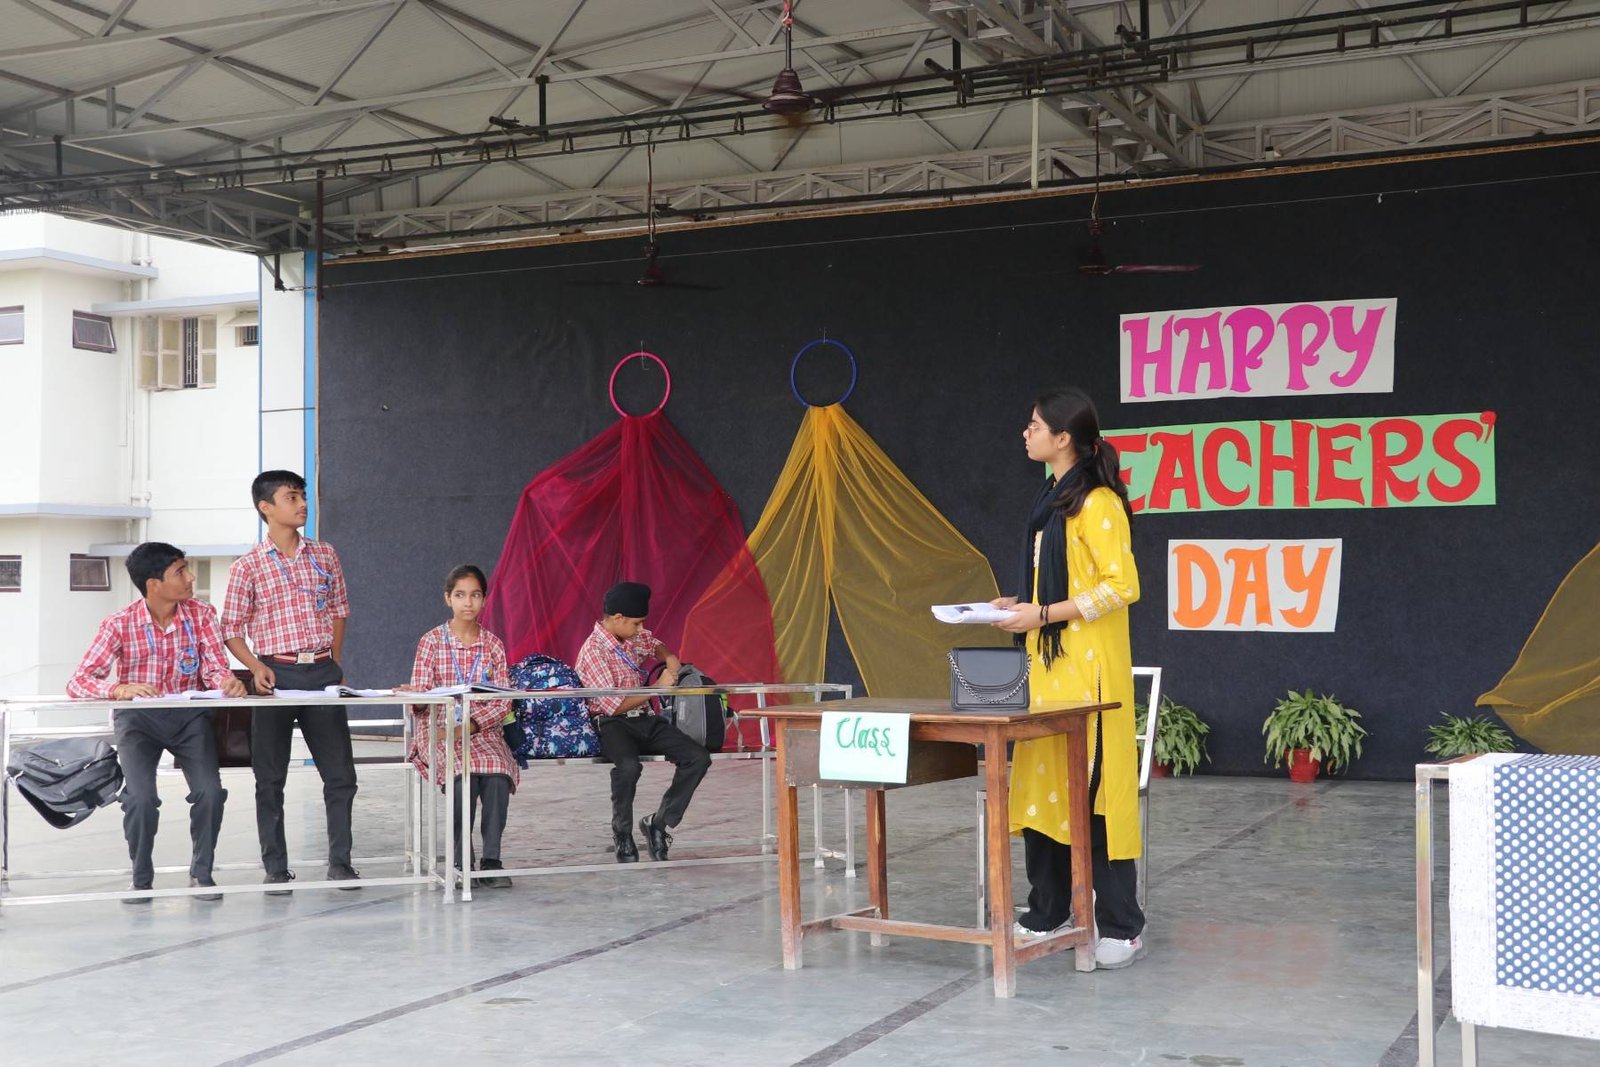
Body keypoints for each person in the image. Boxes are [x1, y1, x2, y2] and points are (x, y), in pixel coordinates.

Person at [991, 386, 1148, 970]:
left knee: (1094, 796)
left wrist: (1044, 614)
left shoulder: (1098, 503)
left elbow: (1122, 587)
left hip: (1090, 676)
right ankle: (1048, 909)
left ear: (1063, 438)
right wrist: (1020, 605)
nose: (1025, 433)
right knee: (1042, 791)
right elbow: (1056, 586)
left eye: (1035, 426)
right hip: (1048, 670)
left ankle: (1123, 926)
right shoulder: (1049, 502)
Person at [66, 542, 247, 901]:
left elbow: (214, 666)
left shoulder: (202, 615)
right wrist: (118, 689)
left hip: (189, 717)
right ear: (154, 584)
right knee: (140, 799)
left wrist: (225, 682)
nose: (190, 577)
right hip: (138, 721)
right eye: (180, 571)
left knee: (210, 793)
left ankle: (202, 874)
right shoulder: (119, 623)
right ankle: (141, 877)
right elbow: (78, 681)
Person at [221, 470, 360, 893]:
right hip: (274, 676)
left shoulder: (325, 554)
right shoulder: (248, 566)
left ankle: (341, 863)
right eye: (292, 497)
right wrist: (255, 666)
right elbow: (231, 628)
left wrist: (334, 660)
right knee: (270, 778)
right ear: (266, 507)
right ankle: (276, 868)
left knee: (340, 775)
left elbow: (339, 609)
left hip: (321, 674)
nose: (302, 504)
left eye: (303, 496)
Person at [399, 565, 518, 889]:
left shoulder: (493, 645)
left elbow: (503, 701)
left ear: (484, 599)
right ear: (448, 598)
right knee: (462, 777)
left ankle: (491, 861)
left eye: (475, 595)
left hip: (482, 731)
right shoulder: (431, 642)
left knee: (497, 775)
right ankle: (460, 859)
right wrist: (417, 698)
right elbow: (421, 699)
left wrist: (474, 725)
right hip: (439, 731)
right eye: (461, 595)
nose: (468, 602)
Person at [574, 581, 710, 862]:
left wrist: (671, 659)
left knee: (698, 757)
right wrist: (657, 688)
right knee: (628, 767)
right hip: (612, 723)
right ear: (618, 618)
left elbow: (655, 645)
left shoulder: (632, 636)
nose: (641, 629)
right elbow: (613, 706)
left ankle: (658, 823)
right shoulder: (593, 651)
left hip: (645, 719)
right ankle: (622, 832)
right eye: (637, 623)